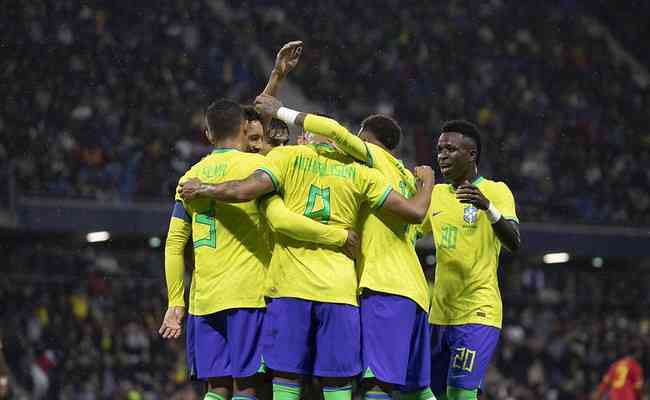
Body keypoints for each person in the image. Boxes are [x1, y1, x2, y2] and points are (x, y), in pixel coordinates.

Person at [179, 109, 434, 400]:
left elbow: (244, 191)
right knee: (337, 382)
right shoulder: (363, 173)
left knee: (283, 379)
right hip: (340, 291)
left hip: (290, 287)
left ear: (308, 136)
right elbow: (415, 215)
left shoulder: (286, 159)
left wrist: (205, 187)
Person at [159, 99, 358, 400]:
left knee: (216, 388)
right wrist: (339, 236)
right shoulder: (260, 168)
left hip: (204, 299)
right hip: (248, 295)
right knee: (247, 386)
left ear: (208, 134)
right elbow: (280, 219)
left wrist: (176, 303)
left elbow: (174, 244)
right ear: (243, 128)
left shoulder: (189, 178)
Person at [254, 94, 434, 400]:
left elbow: (335, 131)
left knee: (376, 383)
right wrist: (427, 183)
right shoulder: (403, 177)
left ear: (364, 140)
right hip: (415, 291)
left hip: (383, 286)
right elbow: (421, 219)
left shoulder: (371, 162)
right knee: (418, 389)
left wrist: (280, 110)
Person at [418, 120, 521, 400]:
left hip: (478, 311)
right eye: (440, 149)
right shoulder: (436, 195)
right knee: (420, 391)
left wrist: (487, 207)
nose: (442, 155)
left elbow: (514, 241)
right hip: (439, 315)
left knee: (460, 394)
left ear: (471, 155)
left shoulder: (496, 190)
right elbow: (409, 231)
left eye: (451, 149)